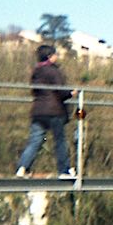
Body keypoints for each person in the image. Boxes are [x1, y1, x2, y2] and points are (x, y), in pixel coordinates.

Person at [15, 44, 75, 179]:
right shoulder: (54, 71)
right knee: (60, 141)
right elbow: (61, 91)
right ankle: (64, 170)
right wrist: (71, 93)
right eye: (55, 54)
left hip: (38, 111)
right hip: (54, 110)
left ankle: (22, 168)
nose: (57, 57)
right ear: (50, 56)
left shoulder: (36, 72)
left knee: (35, 141)